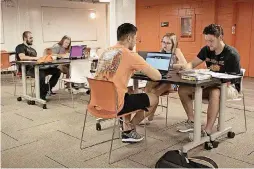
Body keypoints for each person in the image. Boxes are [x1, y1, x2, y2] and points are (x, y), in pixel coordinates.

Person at [94, 23, 161, 143]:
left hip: (97, 102)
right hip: (115, 104)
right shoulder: (129, 54)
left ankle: (126, 125)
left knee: (128, 91)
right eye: (135, 38)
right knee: (154, 98)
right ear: (129, 38)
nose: (136, 42)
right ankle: (129, 129)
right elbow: (157, 76)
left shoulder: (106, 52)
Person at [175, 24, 241, 137]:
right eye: (207, 40)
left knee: (214, 91)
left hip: (230, 87)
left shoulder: (231, 54)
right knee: (183, 90)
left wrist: (216, 80)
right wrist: (186, 67)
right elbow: (192, 63)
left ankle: (207, 130)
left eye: (211, 41)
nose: (208, 44)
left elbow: (235, 78)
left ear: (220, 37)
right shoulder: (206, 50)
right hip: (209, 83)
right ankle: (192, 121)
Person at [145, 33, 187, 121]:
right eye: (163, 42)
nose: (165, 45)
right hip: (163, 78)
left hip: (173, 82)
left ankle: (148, 115)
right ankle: (147, 112)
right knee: (149, 86)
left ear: (173, 44)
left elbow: (185, 65)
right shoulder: (161, 51)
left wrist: (170, 65)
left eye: (168, 43)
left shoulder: (177, 51)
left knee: (154, 92)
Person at [15, 31, 61, 100]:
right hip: (27, 69)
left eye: (32, 38)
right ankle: (41, 96)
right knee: (41, 74)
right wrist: (36, 58)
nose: (32, 39)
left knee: (57, 71)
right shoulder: (20, 47)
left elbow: (37, 61)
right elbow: (22, 57)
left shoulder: (33, 50)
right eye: (30, 38)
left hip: (37, 67)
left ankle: (47, 88)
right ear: (25, 38)